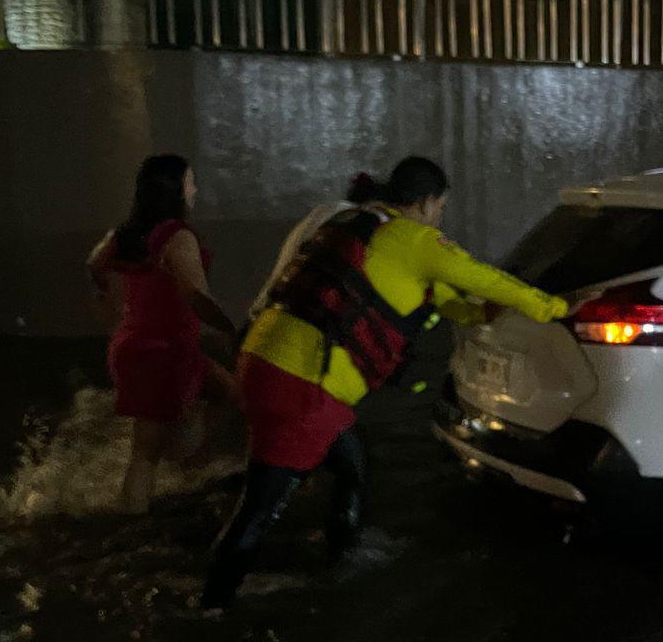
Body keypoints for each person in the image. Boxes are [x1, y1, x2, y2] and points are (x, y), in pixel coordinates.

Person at [201, 156, 569, 608]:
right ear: (427, 201)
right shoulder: (416, 239)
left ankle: (340, 563)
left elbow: (431, 296)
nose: (439, 217)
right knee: (259, 508)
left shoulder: (358, 223)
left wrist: (475, 315)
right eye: (440, 207)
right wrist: (552, 308)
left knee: (352, 466)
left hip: (262, 358)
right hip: (303, 383)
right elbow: (484, 277)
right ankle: (211, 607)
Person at [87, 154, 238, 513]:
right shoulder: (177, 235)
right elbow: (196, 294)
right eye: (190, 182)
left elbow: (94, 265)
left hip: (137, 345)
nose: (195, 189)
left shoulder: (124, 235)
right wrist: (230, 328)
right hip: (163, 351)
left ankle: (191, 466)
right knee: (145, 453)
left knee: (229, 391)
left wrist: (109, 300)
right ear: (174, 191)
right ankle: (131, 521)